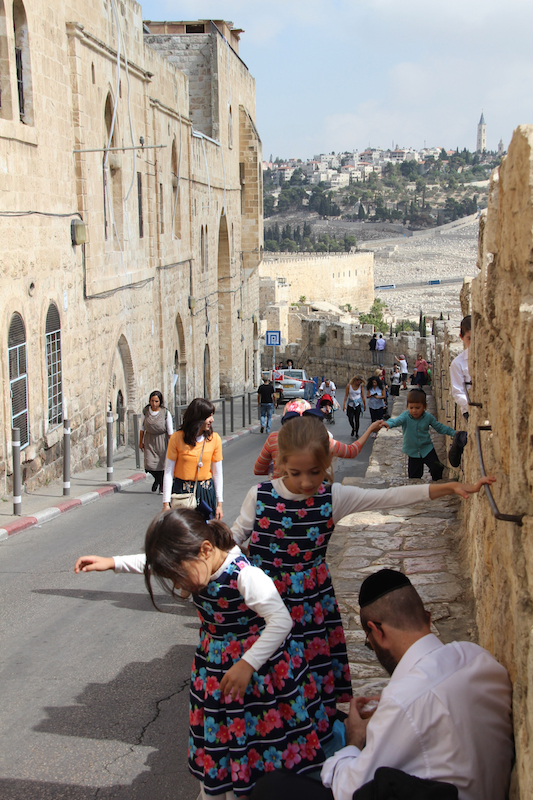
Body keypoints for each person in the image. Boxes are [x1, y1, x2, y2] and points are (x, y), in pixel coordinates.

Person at [233, 416, 496, 736]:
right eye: (295, 472)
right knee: (268, 677)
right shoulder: (259, 497)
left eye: (315, 472)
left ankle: (313, 740)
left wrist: (449, 487)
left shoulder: (333, 498)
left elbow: (389, 498)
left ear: (327, 463)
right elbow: (232, 542)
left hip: (312, 609)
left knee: (310, 678)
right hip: (264, 606)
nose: (305, 482)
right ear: (281, 463)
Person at [74, 509, 328, 797]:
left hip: (259, 678)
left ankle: (259, 788)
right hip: (215, 672)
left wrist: (247, 664)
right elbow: (156, 563)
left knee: (258, 736)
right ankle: (219, 787)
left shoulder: (246, 577)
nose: (179, 584)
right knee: (220, 735)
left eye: (178, 576)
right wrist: (112, 563)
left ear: (205, 550)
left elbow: (281, 621)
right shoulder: (197, 560)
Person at [251, 567, 512, 800]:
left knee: (273, 788)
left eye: (369, 641)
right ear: (428, 618)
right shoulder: (478, 658)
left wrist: (354, 739)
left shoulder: (403, 700)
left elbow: (349, 790)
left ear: (378, 631)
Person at [253, 399, 381, 478]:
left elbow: (258, 469)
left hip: (278, 496)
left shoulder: (273, 438)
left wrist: (278, 470)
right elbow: (351, 451)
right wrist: (370, 429)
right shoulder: (319, 437)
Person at [162, 398, 223, 520]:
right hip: (182, 494)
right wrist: (166, 503)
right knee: (183, 534)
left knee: (205, 533)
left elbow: (218, 473)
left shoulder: (214, 439)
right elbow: (168, 472)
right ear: (197, 418)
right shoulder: (176, 438)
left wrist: (219, 504)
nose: (212, 420)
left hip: (205, 493)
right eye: (208, 416)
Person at [383, 388, 455, 480]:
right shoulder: (405, 416)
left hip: (427, 449)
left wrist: (453, 433)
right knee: (414, 477)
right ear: (407, 406)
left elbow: (439, 427)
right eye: (411, 407)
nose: (414, 411)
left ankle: (436, 485)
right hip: (413, 452)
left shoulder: (428, 417)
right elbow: (396, 421)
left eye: (417, 408)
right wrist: (388, 424)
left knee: (437, 468)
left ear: (424, 406)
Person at [139, 390, 173, 493]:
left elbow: (170, 430)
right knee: (149, 465)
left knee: (161, 464)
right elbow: (142, 427)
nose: (154, 404)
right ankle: (157, 480)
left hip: (162, 440)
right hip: (149, 440)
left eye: (156, 401)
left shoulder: (165, 413)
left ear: (160, 402)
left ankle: (161, 484)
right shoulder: (146, 411)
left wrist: (172, 445)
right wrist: (141, 442)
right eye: (152, 401)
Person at [450, 315, 471, 421]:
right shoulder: (458, 363)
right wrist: (470, 406)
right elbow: (458, 393)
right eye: (469, 338)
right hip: (470, 410)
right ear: (461, 337)